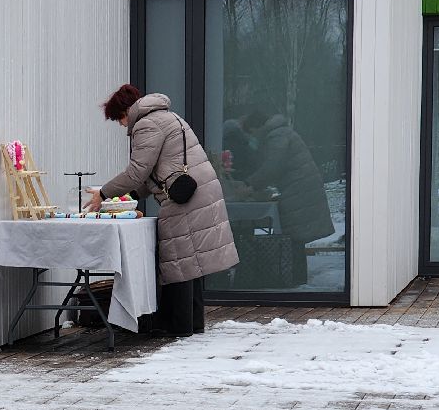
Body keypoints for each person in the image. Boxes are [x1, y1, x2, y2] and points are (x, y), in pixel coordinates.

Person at [87, 85, 239, 336]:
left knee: (177, 258)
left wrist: (103, 193)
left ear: (127, 111)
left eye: (119, 119)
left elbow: (137, 171)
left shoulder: (146, 125)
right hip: (197, 191)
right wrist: (131, 196)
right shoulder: (168, 117)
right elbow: (156, 174)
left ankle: (177, 326)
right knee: (191, 259)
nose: (122, 125)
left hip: (185, 198)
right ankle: (192, 323)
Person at [230, 105, 336, 284]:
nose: (253, 138)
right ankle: (297, 280)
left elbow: (272, 167)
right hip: (302, 190)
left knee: (294, 238)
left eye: (252, 133)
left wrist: (249, 184)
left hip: (299, 192)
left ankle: (295, 281)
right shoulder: (281, 133)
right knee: (296, 239)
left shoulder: (277, 136)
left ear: (256, 128)